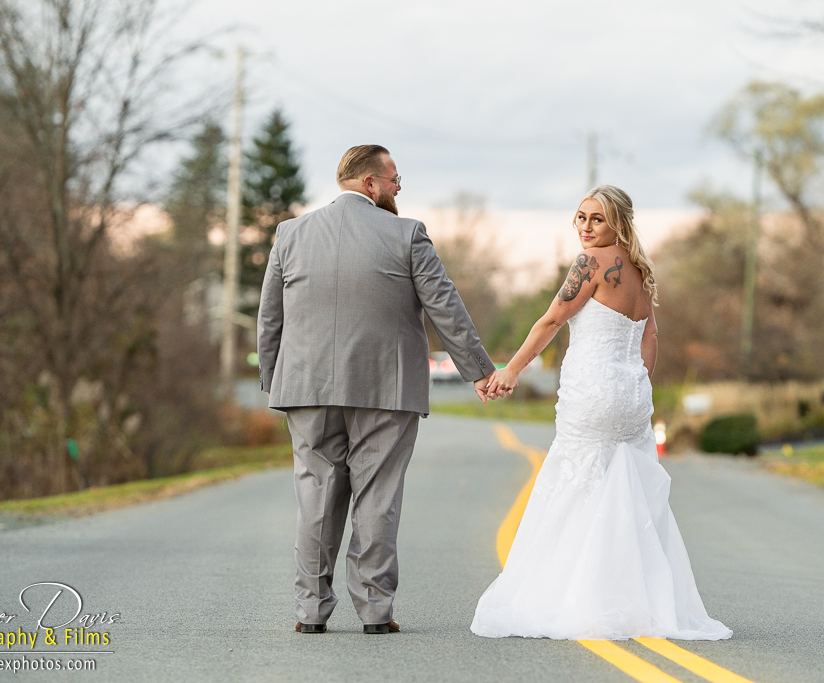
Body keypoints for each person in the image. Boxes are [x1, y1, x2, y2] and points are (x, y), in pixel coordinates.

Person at [470, 185, 731, 641]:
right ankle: (635, 602)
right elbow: (652, 338)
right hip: (631, 395)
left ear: (619, 224)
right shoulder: (641, 271)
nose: (586, 228)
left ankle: (575, 600)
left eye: (597, 219)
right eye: (581, 217)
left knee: (575, 488)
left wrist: (511, 369)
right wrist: (638, 381)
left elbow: (552, 320)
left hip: (592, 392)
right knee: (625, 494)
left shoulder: (591, 264)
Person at [257, 145, 495, 635]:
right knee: (377, 498)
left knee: (315, 498)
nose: (398, 187)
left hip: (306, 387)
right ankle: (374, 612)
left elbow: (270, 316)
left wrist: (273, 378)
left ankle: (309, 614)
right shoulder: (407, 235)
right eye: (393, 178)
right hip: (386, 388)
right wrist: (479, 371)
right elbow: (444, 307)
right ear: (370, 183)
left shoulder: (290, 234)